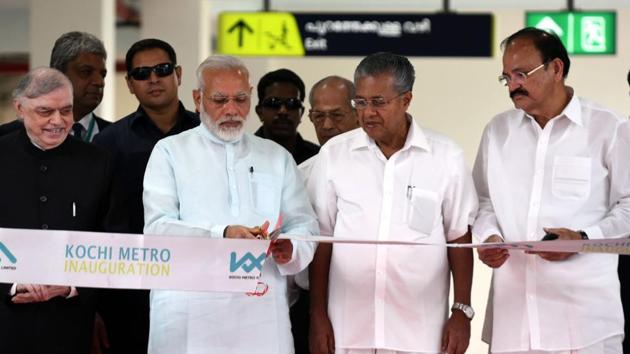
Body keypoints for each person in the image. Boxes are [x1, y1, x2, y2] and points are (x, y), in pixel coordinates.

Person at [142, 55, 318, 354]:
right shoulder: (170, 151)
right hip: (187, 311)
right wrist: (221, 234)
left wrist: (291, 248)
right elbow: (157, 228)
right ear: (198, 99)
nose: (232, 110)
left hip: (260, 312)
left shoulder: (276, 157)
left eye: (240, 99)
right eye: (220, 100)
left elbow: (303, 224)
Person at [308, 52, 477, 354]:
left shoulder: (445, 157)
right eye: (360, 102)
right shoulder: (334, 155)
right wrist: (317, 315)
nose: (368, 112)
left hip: (420, 332)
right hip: (348, 329)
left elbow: (459, 238)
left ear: (406, 99)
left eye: (378, 102)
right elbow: (322, 240)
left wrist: (461, 311)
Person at [473, 27, 630, 354]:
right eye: (506, 77)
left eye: (521, 74)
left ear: (556, 69)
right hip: (513, 323)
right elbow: (483, 201)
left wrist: (583, 240)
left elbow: (629, 207)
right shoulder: (497, 132)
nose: (513, 86)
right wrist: (488, 237)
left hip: (586, 325)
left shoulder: (609, 129)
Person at [93, 38, 199, 354]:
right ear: (129, 84)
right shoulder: (108, 144)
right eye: (141, 74)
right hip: (127, 291)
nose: (153, 79)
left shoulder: (207, 136)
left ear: (178, 74)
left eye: (162, 69)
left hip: (196, 280)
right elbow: (94, 220)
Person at [0, 67, 112, 354]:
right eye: (44, 111)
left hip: (70, 323)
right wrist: (11, 285)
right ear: (20, 109)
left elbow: (113, 237)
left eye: (66, 110)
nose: (57, 121)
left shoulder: (98, 163)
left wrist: (71, 285)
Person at [288, 75, 360, 354]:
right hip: (309, 304)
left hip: (361, 298)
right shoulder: (301, 174)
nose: (327, 125)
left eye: (337, 115)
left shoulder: (385, 170)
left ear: (357, 113)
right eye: (318, 117)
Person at [0, 31, 110, 140]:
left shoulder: (118, 138)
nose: (100, 82)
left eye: (102, 75)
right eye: (86, 72)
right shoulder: (8, 136)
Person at [254, 68, 319, 164]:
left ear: (302, 113)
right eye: (273, 102)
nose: (283, 111)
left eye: (292, 103)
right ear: (259, 112)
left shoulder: (317, 158)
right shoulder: (240, 154)